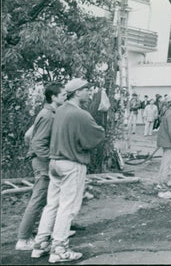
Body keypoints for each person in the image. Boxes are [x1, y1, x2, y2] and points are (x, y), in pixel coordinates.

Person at [32, 78, 105, 263]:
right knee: (68, 208)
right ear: (77, 92)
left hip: (54, 162)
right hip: (72, 164)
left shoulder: (59, 110)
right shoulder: (80, 114)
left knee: (52, 205)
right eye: (87, 89)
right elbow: (96, 137)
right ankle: (59, 249)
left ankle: (40, 244)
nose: (90, 93)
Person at [16, 84, 67, 252]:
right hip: (43, 163)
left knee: (49, 199)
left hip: (41, 160)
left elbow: (28, 135)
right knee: (38, 200)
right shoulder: (48, 115)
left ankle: (48, 231)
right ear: (53, 97)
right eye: (63, 95)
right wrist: (50, 160)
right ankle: (23, 239)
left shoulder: (49, 113)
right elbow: (37, 143)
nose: (65, 97)